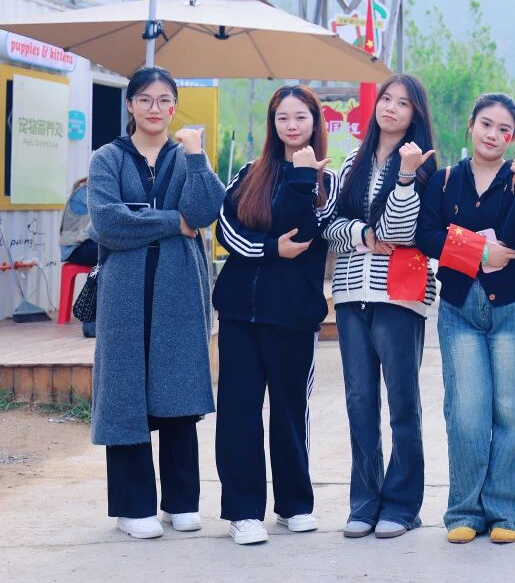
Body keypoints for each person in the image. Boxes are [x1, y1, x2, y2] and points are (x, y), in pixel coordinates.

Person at [85, 66, 224, 540]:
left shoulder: (187, 157)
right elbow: (108, 223)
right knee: (125, 395)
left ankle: (181, 502)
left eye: (164, 100)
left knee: (178, 390)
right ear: (130, 105)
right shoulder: (107, 158)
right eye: (145, 99)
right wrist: (171, 222)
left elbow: (203, 212)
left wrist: (198, 156)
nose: (155, 108)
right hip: (123, 292)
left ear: (174, 106)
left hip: (178, 287)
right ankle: (133, 507)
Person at [212, 85, 338, 545]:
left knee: (289, 411)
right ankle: (243, 512)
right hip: (239, 314)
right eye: (282, 117)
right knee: (238, 411)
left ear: (315, 122)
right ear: (273, 123)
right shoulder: (249, 173)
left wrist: (304, 177)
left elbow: (301, 234)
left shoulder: (329, 181)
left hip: (293, 315)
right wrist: (269, 249)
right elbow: (227, 232)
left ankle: (294, 505)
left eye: (300, 116)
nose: (291, 125)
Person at [415, 93, 515, 545]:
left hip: (514, 307)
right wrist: (481, 250)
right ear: (471, 125)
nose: (493, 134)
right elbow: (425, 234)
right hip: (459, 307)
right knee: (466, 412)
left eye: (504, 129)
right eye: (486, 124)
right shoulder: (446, 180)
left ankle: (508, 510)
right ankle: (465, 511)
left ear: (514, 137)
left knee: (512, 409)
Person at [321, 74, 438, 540]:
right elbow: (330, 227)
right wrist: (362, 234)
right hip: (351, 294)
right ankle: (364, 503)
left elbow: (401, 231)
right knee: (360, 401)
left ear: (415, 114)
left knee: (402, 403)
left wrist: (405, 176)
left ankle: (403, 506)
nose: (390, 107)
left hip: (400, 297)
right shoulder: (353, 161)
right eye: (386, 98)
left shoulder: (425, 167)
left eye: (402, 103)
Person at [60, 177, 97, 267]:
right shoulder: (84, 192)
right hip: (74, 249)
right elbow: (107, 215)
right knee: (112, 249)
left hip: (83, 244)